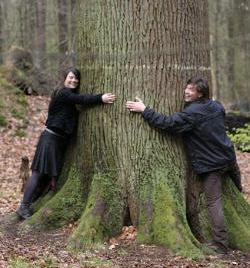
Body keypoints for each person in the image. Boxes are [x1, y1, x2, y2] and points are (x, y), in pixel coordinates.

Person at [126, 77, 242, 254]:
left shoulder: (191, 113)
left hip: (212, 165)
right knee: (236, 190)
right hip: (228, 157)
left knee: (214, 202)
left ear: (200, 93)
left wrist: (145, 110)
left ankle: (221, 243)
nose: (187, 92)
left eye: (192, 90)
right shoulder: (217, 106)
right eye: (187, 88)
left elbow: (168, 124)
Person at [16, 66, 116, 219]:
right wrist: (100, 98)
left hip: (57, 141)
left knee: (47, 176)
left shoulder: (67, 95)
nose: (74, 80)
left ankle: (32, 203)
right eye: (70, 77)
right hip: (50, 139)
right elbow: (81, 99)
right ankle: (23, 207)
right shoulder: (63, 93)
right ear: (64, 78)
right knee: (39, 173)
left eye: (76, 78)